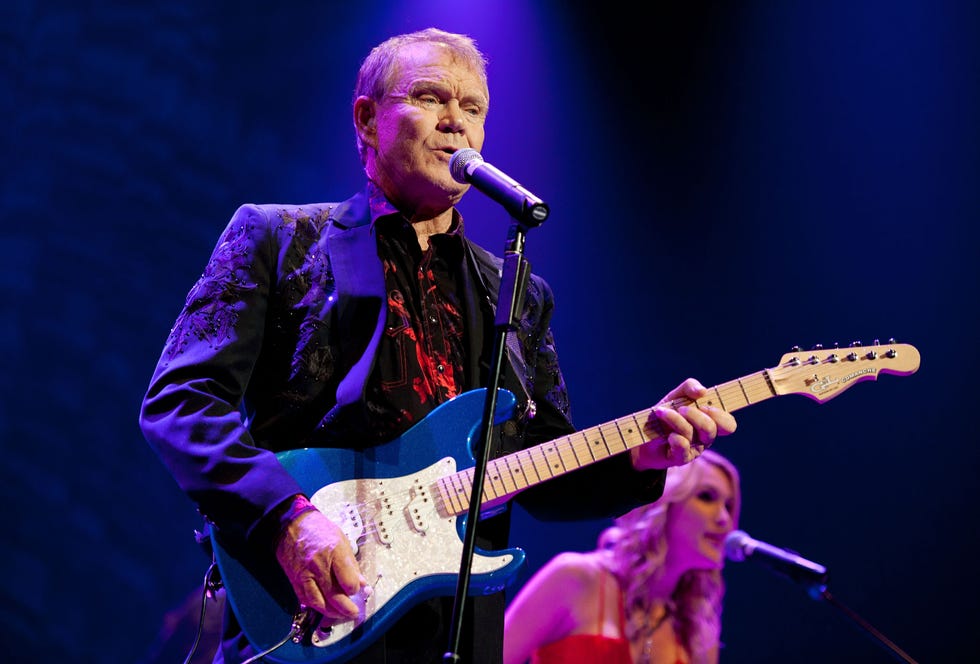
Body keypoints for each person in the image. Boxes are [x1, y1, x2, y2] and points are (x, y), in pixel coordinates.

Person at [138, 27, 737, 664]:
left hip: (457, 625)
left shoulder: (517, 292)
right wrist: (287, 518)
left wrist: (639, 458)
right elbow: (181, 404)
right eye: (430, 98)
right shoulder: (280, 239)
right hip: (313, 597)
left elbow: (539, 468)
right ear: (367, 119)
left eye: (473, 108)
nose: (457, 122)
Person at [503, 450, 741, 664]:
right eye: (707, 497)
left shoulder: (699, 633)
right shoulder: (575, 577)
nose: (724, 519)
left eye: (729, 506)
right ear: (664, 504)